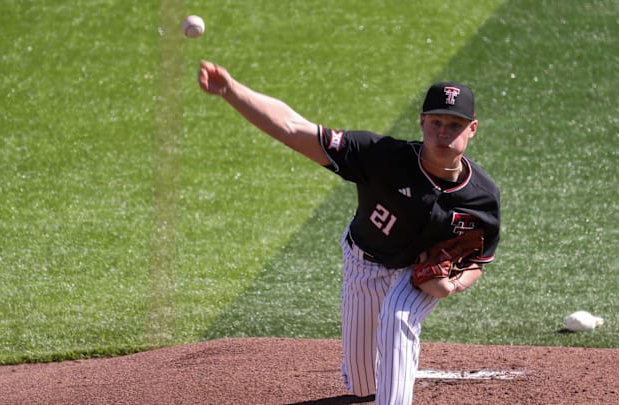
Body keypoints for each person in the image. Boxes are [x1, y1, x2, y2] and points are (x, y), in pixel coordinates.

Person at [198, 61, 500, 405]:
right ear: (421, 123)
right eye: (436, 122)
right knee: (361, 385)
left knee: (398, 316)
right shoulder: (380, 156)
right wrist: (231, 91)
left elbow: (478, 259)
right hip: (364, 264)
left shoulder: (482, 196)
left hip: (418, 276)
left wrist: (452, 285)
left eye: (455, 124)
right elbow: (294, 128)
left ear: (472, 128)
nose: (444, 132)